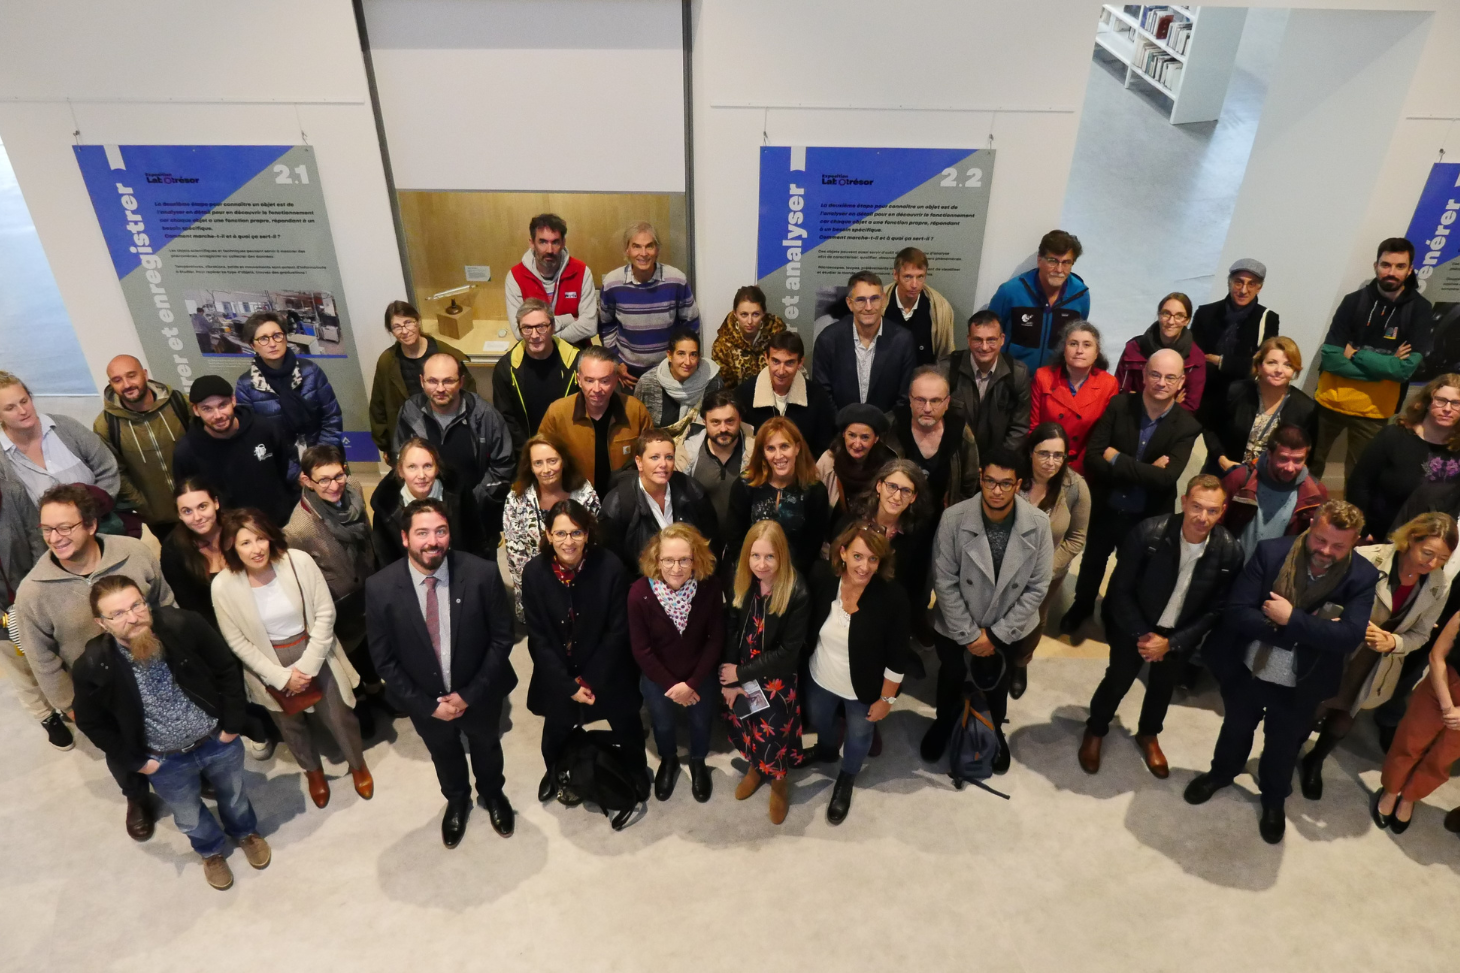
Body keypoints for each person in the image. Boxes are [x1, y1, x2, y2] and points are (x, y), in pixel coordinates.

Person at [1185, 500, 1379, 844]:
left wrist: (1290, 619)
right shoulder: (1271, 552)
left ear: (1356, 541)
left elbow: (1349, 637)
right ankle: (1221, 773)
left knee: (1283, 747)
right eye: (1320, 539)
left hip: (1302, 684)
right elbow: (1238, 612)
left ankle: (1274, 800)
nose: (1326, 551)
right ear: (1311, 527)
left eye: (1338, 546)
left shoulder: (1362, 576)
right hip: (1247, 670)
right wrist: (1313, 631)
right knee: (1235, 729)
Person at [72, 575, 270, 890]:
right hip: (164, 760)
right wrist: (138, 763)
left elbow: (225, 669)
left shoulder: (183, 625)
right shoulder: (94, 665)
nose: (132, 617)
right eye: (118, 614)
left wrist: (231, 725)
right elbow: (91, 722)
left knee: (233, 794)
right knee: (188, 814)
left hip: (216, 741)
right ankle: (210, 851)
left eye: (136, 605)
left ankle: (245, 832)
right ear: (101, 623)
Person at [14, 484, 176, 840]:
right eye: (47, 529)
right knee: (122, 751)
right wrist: (70, 705)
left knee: (177, 728)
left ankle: (194, 774)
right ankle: (137, 797)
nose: (54, 538)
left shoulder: (134, 553)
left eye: (64, 527)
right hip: (102, 691)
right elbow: (42, 659)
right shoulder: (33, 593)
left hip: (156, 668)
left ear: (89, 524)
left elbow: (165, 603)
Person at [365, 498, 518, 848]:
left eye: (440, 531)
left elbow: (501, 638)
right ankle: (457, 800)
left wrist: (470, 694)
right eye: (422, 532)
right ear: (405, 538)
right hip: (425, 702)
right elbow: (384, 660)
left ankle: (493, 795)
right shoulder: (380, 588)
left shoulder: (481, 573)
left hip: (479, 692)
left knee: (487, 745)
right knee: (443, 753)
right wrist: (428, 705)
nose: (432, 541)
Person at [1079, 475, 1243, 777]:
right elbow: (1121, 590)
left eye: (1211, 510)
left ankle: (1149, 733)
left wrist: (1172, 642)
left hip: (1178, 637)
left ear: (1222, 511)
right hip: (1134, 626)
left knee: (1162, 687)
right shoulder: (1149, 533)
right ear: (1184, 502)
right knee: (1118, 679)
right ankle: (1096, 729)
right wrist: (1144, 635)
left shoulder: (1229, 552)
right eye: (1196, 507)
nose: (1202, 517)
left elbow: (1216, 609)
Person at [211, 508, 371, 809]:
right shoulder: (223, 585)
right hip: (267, 661)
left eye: (261, 538)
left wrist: (309, 666)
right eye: (246, 542)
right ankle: (313, 771)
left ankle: (357, 764)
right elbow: (237, 641)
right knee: (290, 725)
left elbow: (325, 612)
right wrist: (281, 677)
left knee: (339, 715)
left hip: (314, 648)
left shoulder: (298, 562)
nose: (256, 548)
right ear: (232, 545)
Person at [1299, 512, 1455, 803]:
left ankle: (1314, 761)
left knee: (1345, 716)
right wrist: (1352, 623)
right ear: (1411, 538)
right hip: (1339, 650)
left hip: (1377, 662)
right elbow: (1326, 600)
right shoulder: (1368, 557)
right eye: (1428, 553)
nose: (1432, 564)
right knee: (1314, 707)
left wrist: (1393, 641)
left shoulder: (1438, 584)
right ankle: (1286, 754)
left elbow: (1422, 634)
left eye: (1442, 559)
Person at [923, 448, 1054, 772]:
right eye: (990, 482)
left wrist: (995, 635)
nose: (997, 491)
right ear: (980, 478)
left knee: (998, 682)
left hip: (1009, 627)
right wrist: (969, 635)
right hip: (956, 625)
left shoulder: (1037, 524)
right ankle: (944, 722)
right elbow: (944, 580)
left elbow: (1038, 586)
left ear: (1018, 484)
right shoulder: (954, 518)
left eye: (1006, 484)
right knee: (951, 675)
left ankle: (994, 731)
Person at [1061, 349, 1203, 640]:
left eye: (1170, 377)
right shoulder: (1119, 405)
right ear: (1144, 375)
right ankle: (1082, 606)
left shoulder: (1188, 426)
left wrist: (1117, 459)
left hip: (1146, 515)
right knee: (1092, 560)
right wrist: (1144, 470)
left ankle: (1113, 613)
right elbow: (1093, 458)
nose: (1161, 382)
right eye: (1155, 374)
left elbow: (1166, 478)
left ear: (1181, 383)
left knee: (1129, 570)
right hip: (1107, 505)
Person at [521, 501, 646, 827]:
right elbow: (538, 637)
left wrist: (588, 680)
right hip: (559, 673)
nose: (568, 541)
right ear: (548, 535)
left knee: (627, 723)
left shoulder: (610, 566)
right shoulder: (534, 573)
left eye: (576, 532)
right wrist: (568, 685)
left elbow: (617, 630)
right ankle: (555, 770)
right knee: (556, 729)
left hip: (605, 669)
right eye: (560, 533)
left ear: (587, 533)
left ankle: (635, 770)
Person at [804, 523, 909, 824]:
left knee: (860, 735)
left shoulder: (893, 598)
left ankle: (847, 777)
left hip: (864, 688)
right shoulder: (823, 578)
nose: (864, 566)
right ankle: (825, 750)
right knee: (819, 719)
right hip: (820, 676)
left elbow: (897, 656)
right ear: (843, 553)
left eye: (873, 559)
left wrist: (887, 699)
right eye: (858, 556)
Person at [1312, 237, 1434, 482]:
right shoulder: (1353, 302)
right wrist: (1386, 366)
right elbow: (1331, 359)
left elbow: (1403, 372)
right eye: (1386, 265)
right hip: (1329, 403)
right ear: (1375, 265)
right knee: (1308, 468)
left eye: (1400, 266)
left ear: (1410, 269)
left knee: (1359, 478)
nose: (1391, 272)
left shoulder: (1419, 310)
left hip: (1375, 412)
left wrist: (1356, 353)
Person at [284, 445, 380, 733]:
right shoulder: (298, 528)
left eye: (338, 475)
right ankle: (360, 699)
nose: (334, 485)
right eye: (323, 480)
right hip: (339, 602)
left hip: (369, 584)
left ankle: (378, 691)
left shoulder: (353, 487)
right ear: (307, 481)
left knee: (374, 646)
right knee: (351, 653)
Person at [720, 520, 810, 825]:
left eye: (769, 557)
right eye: (755, 556)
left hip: (775, 678)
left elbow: (787, 653)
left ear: (781, 556)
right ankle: (756, 768)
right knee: (746, 723)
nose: (761, 564)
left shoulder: (797, 591)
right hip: (742, 670)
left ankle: (779, 780)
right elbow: (732, 627)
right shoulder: (742, 578)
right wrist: (730, 677)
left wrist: (740, 673)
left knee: (774, 733)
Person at [628, 523, 724, 804]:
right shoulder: (639, 593)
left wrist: (692, 684)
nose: (676, 568)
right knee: (662, 721)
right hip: (659, 677)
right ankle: (668, 760)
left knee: (700, 719)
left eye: (684, 559)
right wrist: (673, 686)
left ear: (696, 559)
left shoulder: (709, 588)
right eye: (668, 560)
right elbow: (641, 650)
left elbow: (715, 640)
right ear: (657, 559)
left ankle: (698, 761)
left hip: (699, 674)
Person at [392, 353, 514, 549]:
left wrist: (469, 504)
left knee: (480, 575)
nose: (440, 389)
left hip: (477, 520)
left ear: (461, 382)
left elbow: (503, 466)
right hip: (426, 518)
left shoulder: (485, 415)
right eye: (433, 381)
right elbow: (400, 459)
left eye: (448, 381)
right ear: (422, 381)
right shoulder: (410, 412)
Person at [1010, 423, 1090, 699]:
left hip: (1047, 573)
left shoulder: (1075, 487)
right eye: (1044, 453)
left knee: (1035, 618)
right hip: (1004, 566)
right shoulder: (1013, 477)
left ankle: (1020, 662)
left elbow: (1077, 537)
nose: (1051, 462)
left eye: (1059, 455)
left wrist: (1044, 571)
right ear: (1031, 451)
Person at [832, 460, 938, 647]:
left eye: (906, 491)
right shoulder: (850, 522)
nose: (897, 496)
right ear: (879, 486)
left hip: (888, 612)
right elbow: (834, 568)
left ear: (913, 497)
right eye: (892, 487)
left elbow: (914, 585)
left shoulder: (917, 534)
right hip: (846, 606)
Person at [172, 375, 298, 530]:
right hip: (229, 535)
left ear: (233, 400)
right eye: (207, 409)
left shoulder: (264, 429)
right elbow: (188, 497)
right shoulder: (186, 452)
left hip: (279, 525)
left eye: (222, 405)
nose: (217, 415)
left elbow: (283, 467)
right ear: (196, 410)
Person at [1347, 373, 1460, 541]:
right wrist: (1362, 530)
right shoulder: (1393, 436)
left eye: (1456, 403)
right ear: (1427, 403)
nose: (1447, 409)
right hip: (1378, 535)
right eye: (1441, 400)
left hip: (1430, 542)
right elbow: (1359, 485)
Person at [1374, 610, 1460, 832]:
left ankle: (1410, 797)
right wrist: (1447, 705)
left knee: (1442, 757)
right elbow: (1437, 655)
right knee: (1411, 740)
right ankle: (1391, 790)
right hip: (1442, 683)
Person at [0, 371, 123, 524]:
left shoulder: (67, 427)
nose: (22, 411)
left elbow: (107, 469)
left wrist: (90, 515)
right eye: (10, 408)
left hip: (100, 524)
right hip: (50, 541)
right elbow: (17, 517)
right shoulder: (3, 459)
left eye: (24, 401)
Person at [503, 434, 600, 620]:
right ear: (530, 466)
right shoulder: (516, 498)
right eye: (538, 463)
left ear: (563, 461)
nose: (546, 469)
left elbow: (594, 542)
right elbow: (516, 554)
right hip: (536, 587)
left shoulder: (584, 493)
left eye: (552, 461)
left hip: (581, 586)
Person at [94, 355, 192, 540]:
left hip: (198, 505)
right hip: (160, 519)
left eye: (132, 375)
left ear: (145, 374)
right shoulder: (106, 425)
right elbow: (115, 471)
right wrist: (142, 505)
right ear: (111, 384)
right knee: (180, 564)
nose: (127, 384)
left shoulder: (179, 403)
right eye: (117, 380)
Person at [598, 430, 718, 579]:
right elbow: (612, 564)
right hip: (640, 588)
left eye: (669, 457)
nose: (663, 464)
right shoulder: (617, 505)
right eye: (655, 457)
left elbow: (710, 545)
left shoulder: (692, 491)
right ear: (639, 462)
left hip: (690, 585)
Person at [538, 346, 655, 498]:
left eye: (605, 381)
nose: (597, 389)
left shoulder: (635, 410)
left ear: (616, 380)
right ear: (579, 380)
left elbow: (651, 457)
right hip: (574, 500)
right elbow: (540, 460)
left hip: (625, 499)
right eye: (589, 380)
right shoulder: (558, 413)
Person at [723, 418, 830, 580]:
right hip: (749, 573)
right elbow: (735, 538)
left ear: (797, 448)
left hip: (795, 576)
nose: (778, 456)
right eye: (770, 448)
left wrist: (785, 581)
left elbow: (811, 547)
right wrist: (755, 574)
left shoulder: (815, 491)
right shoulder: (745, 485)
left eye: (784, 446)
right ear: (763, 453)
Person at [369, 300, 476, 463]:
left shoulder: (445, 354)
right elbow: (379, 405)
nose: (404, 331)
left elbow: (470, 396)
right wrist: (385, 445)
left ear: (418, 321)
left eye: (408, 323)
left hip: (448, 434)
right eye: (397, 327)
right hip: (408, 436)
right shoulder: (387, 361)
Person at [599, 221, 700, 389]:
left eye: (649, 246)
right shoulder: (612, 283)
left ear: (657, 250)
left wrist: (680, 362)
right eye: (637, 246)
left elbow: (691, 323)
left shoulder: (676, 280)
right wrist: (615, 361)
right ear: (627, 250)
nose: (643, 253)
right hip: (628, 375)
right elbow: (605, 325)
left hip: (668, 373)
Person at [0, 464, 58, 748]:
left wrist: (34, 588)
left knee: (51, 649)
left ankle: (68, 700)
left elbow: (38, 539)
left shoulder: (11, 492)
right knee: (17, 661)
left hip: (32, 587)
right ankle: (46, 714)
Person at [1203, 336, 1317, 475]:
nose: (1279, 370)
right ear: (1259, 365)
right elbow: (1210, 427)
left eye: (1288, 365)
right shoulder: (1235, 391)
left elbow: (1308, 455)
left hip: (1271, 481)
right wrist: (1221, 458)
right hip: (1225, 471)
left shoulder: (1305, 408)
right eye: (1272, 363)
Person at [232, 311, 342, 450]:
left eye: (277, 336)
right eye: (263, 338)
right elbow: (252, 435)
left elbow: (332, 417)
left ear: (285, 337)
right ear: (253, 345)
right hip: (279, 464)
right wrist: (291, 470)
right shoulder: (246, 384)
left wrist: (318, 460)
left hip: (321, 457)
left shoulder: (310, 371)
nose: (272, 344)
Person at [1192, 259, 1280, 431]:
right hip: (1202, 393)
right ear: (1229, 282)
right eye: (1239, 282)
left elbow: (1260, 366)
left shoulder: (1267, 319)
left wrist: (1220, 361)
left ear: (1259, 287)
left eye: (1251, 284)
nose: (1243, 290)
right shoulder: (1206, 313)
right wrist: (1242, 363)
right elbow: (1196, 359)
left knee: (1221, 455)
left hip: (1239, 399)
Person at [1219, 424, 1329, 561]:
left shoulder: (1315, 494)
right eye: (1283, 459)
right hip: (1233, 568)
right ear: (1269, 454)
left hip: (1277, 575)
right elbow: (1216, 524)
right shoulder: (1240, 479)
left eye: (1298, 460)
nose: (1290, 468)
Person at [813, 271, 916, 412]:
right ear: (850, 303)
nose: (868, 307)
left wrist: (878, 429)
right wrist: (846, 428)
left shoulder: (903, 341)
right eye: (861, 300)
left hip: (887, 431)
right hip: (839, 431)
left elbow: (905, 397)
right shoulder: (828, 340)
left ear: (883, 300)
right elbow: (823, 395)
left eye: (874, 299)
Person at [989, 229, 1091, 371]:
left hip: (1055, 383)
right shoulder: (1010, 292)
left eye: (1066, 262)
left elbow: (1076, 340)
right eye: (1053, 261)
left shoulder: (1081, 296)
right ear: (1039, 260)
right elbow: (988, 336)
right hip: (1012, 381)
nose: (1059, 269)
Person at [371, 438, 482, 565]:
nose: (421, 475)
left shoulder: (460, 495)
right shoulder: (385, 509)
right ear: (401, 471)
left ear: (437, 468)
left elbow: (478, 544)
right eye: (412, 467)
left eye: (427, 466)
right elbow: (386, 561)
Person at [1028, 321, 1118, 474]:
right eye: (1073, 344)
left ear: (1097, 352)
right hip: (1043, 462)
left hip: (1084, 466)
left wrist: (1076, 469)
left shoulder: (1108, 384)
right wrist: (1045, 461)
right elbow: (1033, 427)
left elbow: (1102, 436)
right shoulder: (1043, 376)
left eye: (1087, 345)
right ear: (1064, 349)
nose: (1079, 350)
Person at [492, 299, 579, 453]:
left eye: (541, 327)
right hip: (526, 452)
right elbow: (506, 418)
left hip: (570, 450)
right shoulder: (506, 368)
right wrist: (529, 451)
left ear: (552, 327)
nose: (534, 335)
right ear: (519, 331)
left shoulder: (576, 363)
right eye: (527, 328)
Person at [887, 366, 979, 510]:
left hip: (943, 519)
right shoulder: (890, 429)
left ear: (947, 402)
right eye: (920, 400)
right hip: (897, 515)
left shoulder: (962, 434)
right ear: (910, 400)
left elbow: (969, 483)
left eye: (935, 401)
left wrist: (954, 516)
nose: (928, 408)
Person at [733, 330, 837, 456]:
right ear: (766, 358)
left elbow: (823, 447)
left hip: (802, 472)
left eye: (789, 363)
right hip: (759, 471)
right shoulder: (744, 393)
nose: (781, 371)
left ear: (800, 362)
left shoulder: (817, 396)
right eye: (776, 361)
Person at [945, 310, 1032, 455]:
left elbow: (1019, 427)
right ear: (968, 339)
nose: (984, 347)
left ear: (1002, 339)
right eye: (978, 340)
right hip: (954, 457)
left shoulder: (1018, 374)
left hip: (998, 461)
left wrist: (997, 464)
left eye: (991, 340)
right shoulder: (947, 369)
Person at [504, 212, 598, 345]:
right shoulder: (515, 276)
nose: (549, 250)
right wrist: (568, 319)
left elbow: (589, 326)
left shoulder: (581, 271)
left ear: (563, 243)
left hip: (577, 353)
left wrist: (542, 334)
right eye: (542, 242)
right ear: (532, 243)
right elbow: (519, 332)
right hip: (537, 357)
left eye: (555, 242)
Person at [1114, 293, 1206, 413]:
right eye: (1166, 313)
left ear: (1187, 321)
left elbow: (1190, 406)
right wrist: (1171, 404)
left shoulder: (1195, 358)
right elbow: (1119, 392)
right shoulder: (1134, 348)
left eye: (1179, 316)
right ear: (1159, 315)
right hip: (1131, 416)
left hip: (1170, 426)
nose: (1171, 321)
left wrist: (1139, 399)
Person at [675, 389, 754, 528]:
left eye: (730, 421)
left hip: (746, 542)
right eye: (715, 422)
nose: (723, 429)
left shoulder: (757, 453)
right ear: (704, 422)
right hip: (699, 543)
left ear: (740, 419)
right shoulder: (686, 453)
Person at [632, 327, 725, 434]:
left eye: (693, 354)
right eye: (681, 354)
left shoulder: (712, 383)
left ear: (699, 357)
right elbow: (638, 426)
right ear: (670, 355)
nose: (687, 362)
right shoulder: (648, 383)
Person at [816, 404, 898, 517]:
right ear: (844, 434)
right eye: (852, 435)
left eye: (865, 437)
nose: (857, 444)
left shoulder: (889, 465)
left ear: (876, 438)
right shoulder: (829, 460)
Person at [882, 247, 955, 366]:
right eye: (908, 277)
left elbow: (946, 357)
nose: (914, 285)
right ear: (896, 275)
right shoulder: (878, 303)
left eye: (920, 277)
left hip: (924, 380)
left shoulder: (940, 308)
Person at [710, 285, 787, 391]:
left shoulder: (777, 337)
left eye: (755, 314)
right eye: (744, 314)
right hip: (738, 401)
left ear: (763, 314)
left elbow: (788, 372)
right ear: (735, 314)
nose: (750, 321)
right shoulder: (722, 346)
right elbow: (723, 389)